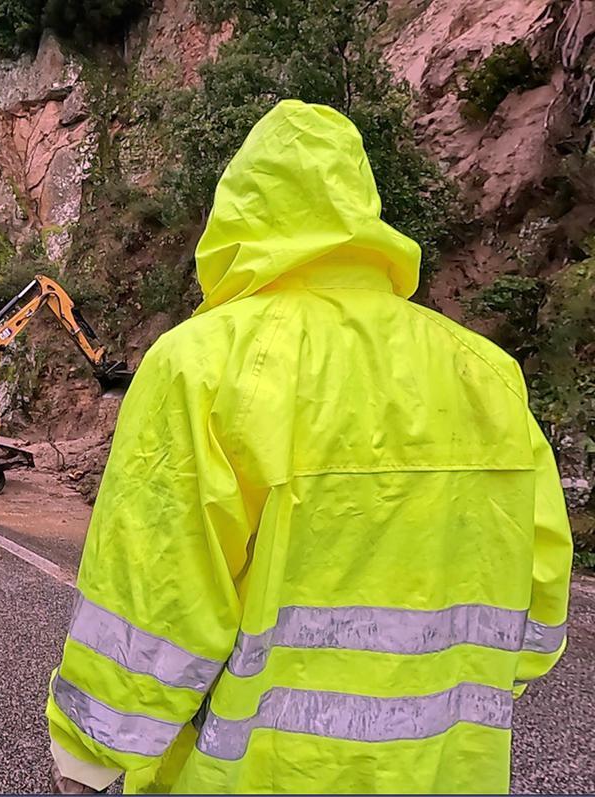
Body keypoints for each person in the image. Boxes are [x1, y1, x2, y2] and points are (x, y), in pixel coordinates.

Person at [46, 100, 572, 794]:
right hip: (447, 769)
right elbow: (539, 598)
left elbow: (155, 598)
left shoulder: (201, 366)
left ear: (238, 214)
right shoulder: (487, 372)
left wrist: (88, 757)